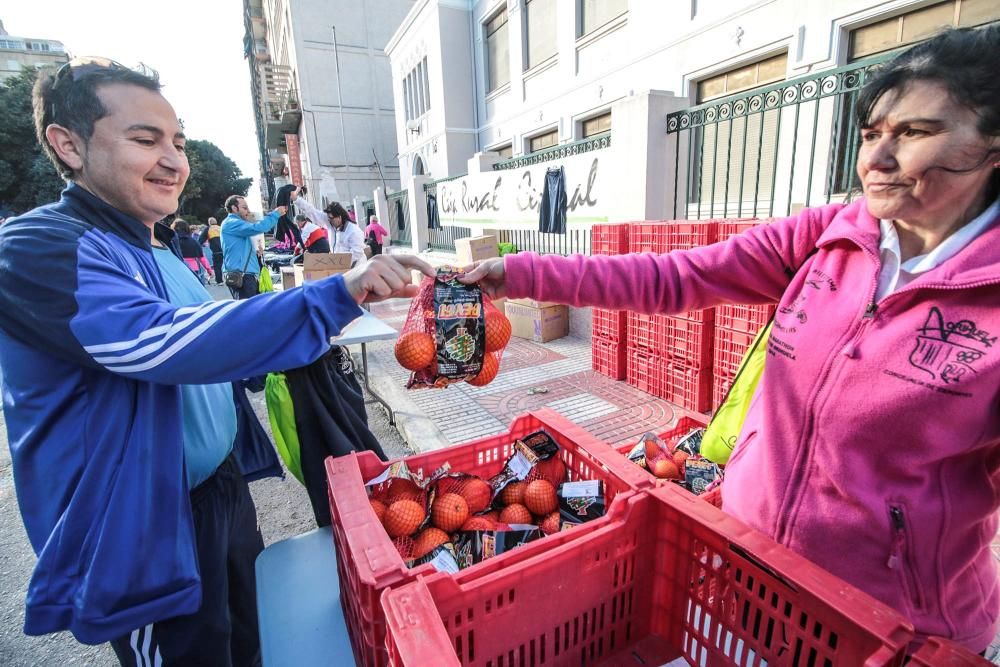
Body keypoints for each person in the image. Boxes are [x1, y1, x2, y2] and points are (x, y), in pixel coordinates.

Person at [463, 26, 1000, 654]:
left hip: (887, 626)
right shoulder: (832, 235)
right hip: (750, 569)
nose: (876, 160)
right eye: (870, 134)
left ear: (992, 146)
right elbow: (678, 275)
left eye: (913, 133)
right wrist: (523, 272)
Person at [0, 56, 433, 666]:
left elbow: (217, 356)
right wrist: (336, 295)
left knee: (248, 644)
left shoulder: (151, 247)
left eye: (177, 141)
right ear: (67, 144)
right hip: (147, 528)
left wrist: (284, 355)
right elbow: (161, 342)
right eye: (145, 140)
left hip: (220, 495)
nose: (175, 159)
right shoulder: (37, 249)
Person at [220, 194, 279, 299]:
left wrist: (256, 252)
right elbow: (259, 227)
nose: (248, 211)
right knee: (248, 310)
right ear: (234, 208)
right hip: (243, 275)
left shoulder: (234, 224)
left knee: (252, 309)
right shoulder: (232, 223)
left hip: (245, 274)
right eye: (244, 208)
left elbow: (242, 247)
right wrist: (275, 214)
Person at [293, 192, 367, 265]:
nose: (329, 221)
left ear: (339, 217)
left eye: (331, 218)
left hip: (355, 269)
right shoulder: (331, 223)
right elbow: (312, 211)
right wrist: (296, 199)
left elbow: (357, 253)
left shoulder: (354, 231)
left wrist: (339, 264)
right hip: (338, 266)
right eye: (328, 218)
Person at [173, 219, 212, 283]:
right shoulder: (194, 242)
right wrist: (209, 270)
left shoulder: (171, 241)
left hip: (177, 269)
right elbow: (202, 258)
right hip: (193, 268)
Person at [199, 217, 223, 284]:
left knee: (217, 266)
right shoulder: (220, 227)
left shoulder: (208, 229)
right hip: (225, 250)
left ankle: (219, 281)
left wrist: (198, 247)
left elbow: (201, 240)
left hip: (216, 251)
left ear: (209, 223)